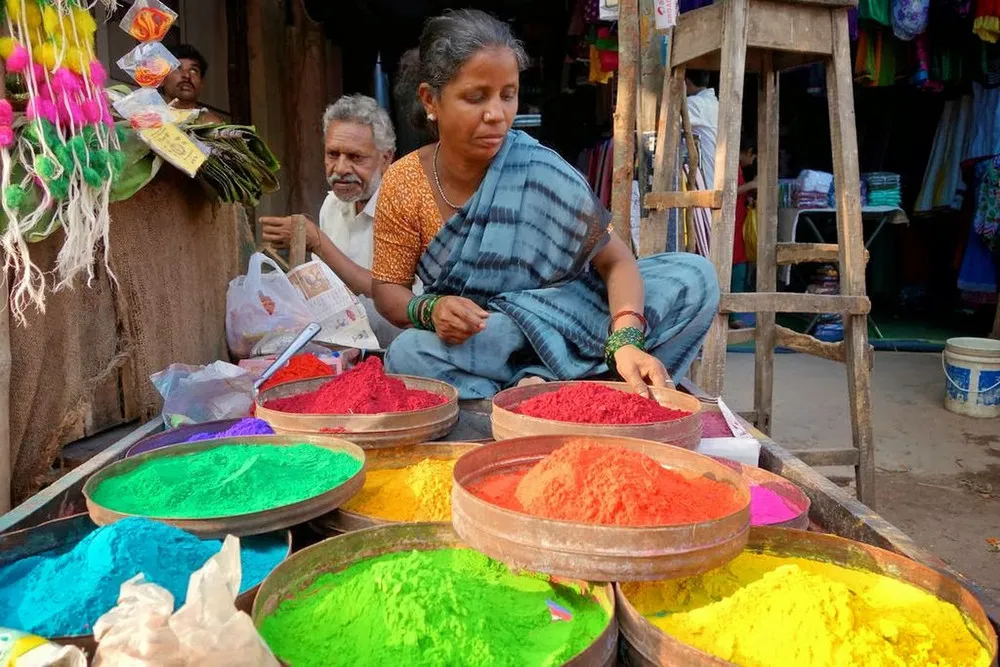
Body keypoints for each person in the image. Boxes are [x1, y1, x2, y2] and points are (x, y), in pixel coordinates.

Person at [371, 9, 719, 399]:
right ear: (430, 100)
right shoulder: (404, 181)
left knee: (695, 277)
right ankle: (556, 393)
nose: (497, 115)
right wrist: (429, 309)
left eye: (508, 95)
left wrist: (625, 337)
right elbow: (388, 289)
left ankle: (547, 391)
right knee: (408, 354)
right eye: (476, 97)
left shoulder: (539, 166)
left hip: (570, 325)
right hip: (490, 339)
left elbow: (617, 261)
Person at [260, 94, 404, 345]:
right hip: (346, 328)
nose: (340, 169)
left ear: (386, 158)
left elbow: (395, 296)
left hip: (395, 334)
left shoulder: (405, 205)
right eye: (332, 154)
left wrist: (318, 241)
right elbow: (327, 289)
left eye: (355, 157)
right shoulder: (332, 205)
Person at [731, 140, 758, 328]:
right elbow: (729, 192)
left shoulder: (739, 168)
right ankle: (733, 315)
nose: (753, 160)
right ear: (748, 151)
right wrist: (752, 185)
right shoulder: (731, 166)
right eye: (754, 156)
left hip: (738, 220)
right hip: (730, 223)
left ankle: (735, 313)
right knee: (736, 267)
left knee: (740, 266)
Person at [161, 44, 224, 124]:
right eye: (177, 68)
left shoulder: (212, 125)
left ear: (202, 83)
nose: (187, 75)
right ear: (161, 79)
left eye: (193, 70)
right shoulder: (147, 120)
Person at [684, 70, 719, 186]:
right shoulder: (714, 103)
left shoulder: (695, 104)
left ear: (687, 83)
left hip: (706, 176)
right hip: (717, 174)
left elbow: (668, 120)